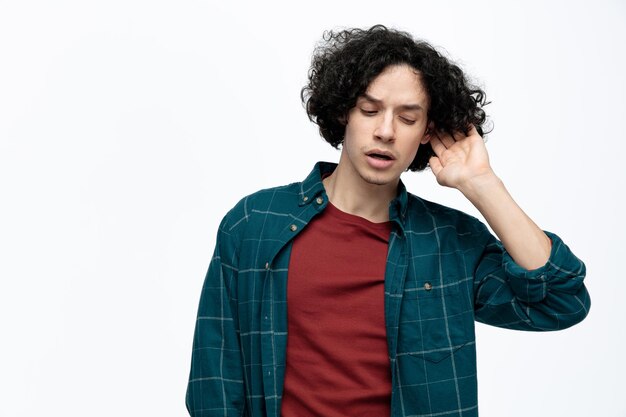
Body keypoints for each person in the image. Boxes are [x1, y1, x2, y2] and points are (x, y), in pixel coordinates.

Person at [185, 25, 591, 417]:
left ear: (428, 131)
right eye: (369, 110)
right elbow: (214, 388)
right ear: (344, 112)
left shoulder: (449, 241)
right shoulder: (255, 223)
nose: (385, 131)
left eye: (408, 118)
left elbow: (561, 301)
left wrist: (483, 186)